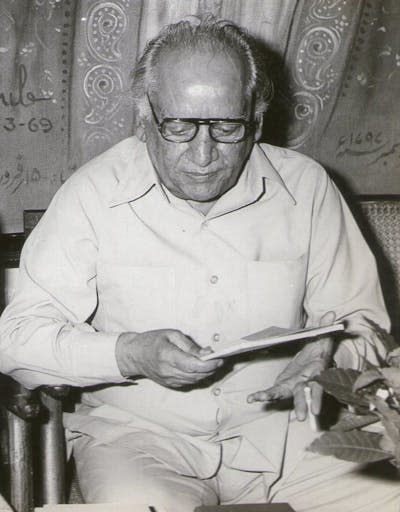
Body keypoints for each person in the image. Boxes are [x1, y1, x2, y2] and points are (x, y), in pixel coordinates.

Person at [0, 15, 398, 512]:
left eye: (226, 126)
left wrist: (330, 351)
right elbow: (15, 341)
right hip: (141, 442)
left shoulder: (308, 187)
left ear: (255, 117)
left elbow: (367, 327)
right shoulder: (92, 195)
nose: (204, 154)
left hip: (295, 433)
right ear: (145, 117)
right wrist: (129, 354)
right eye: (180, 126)